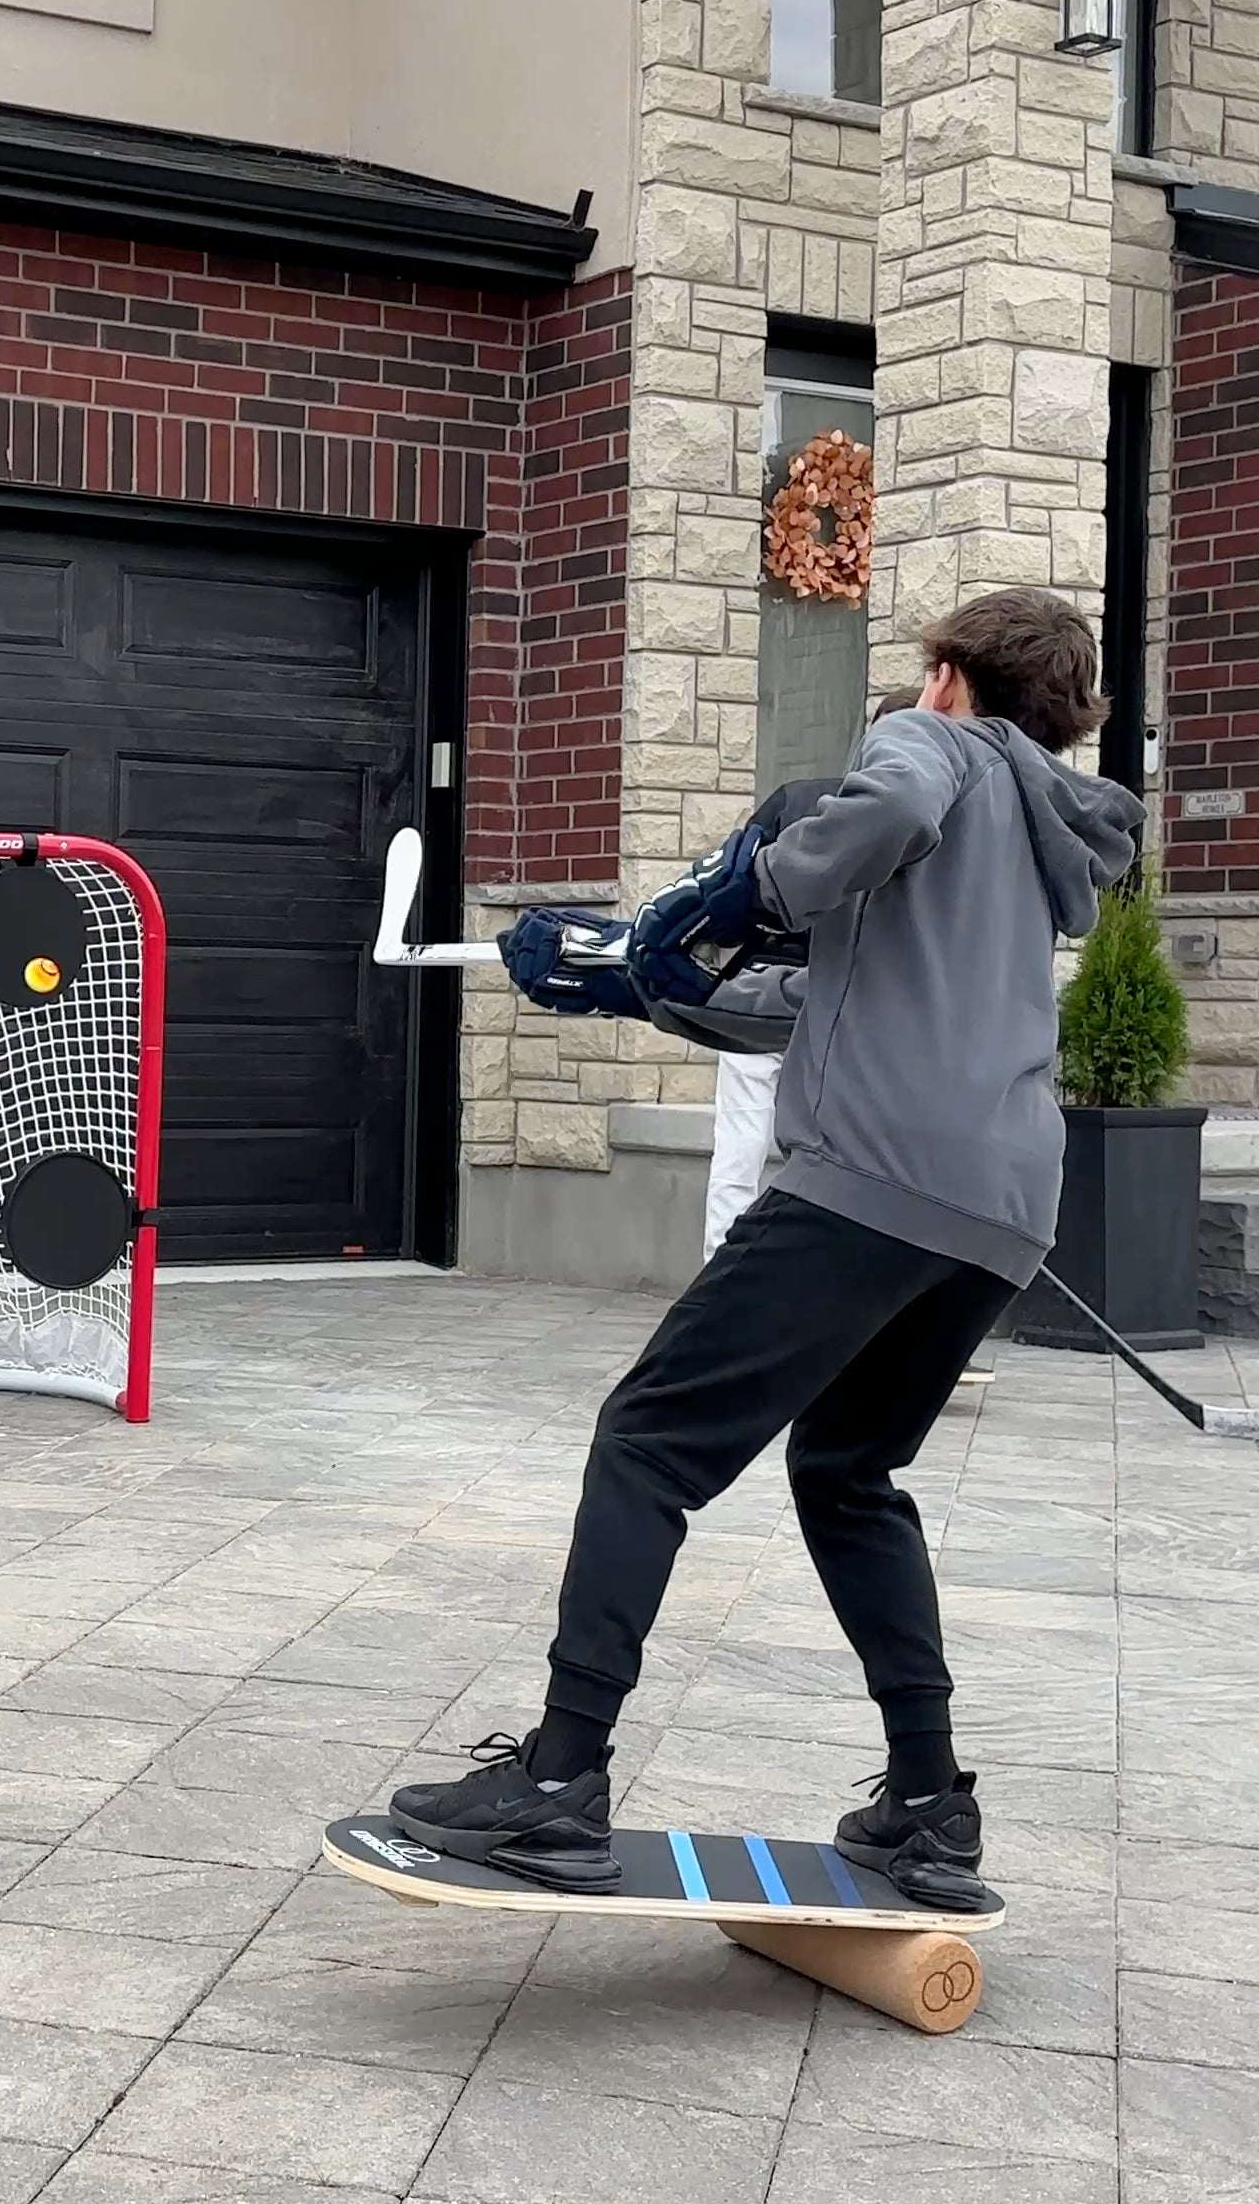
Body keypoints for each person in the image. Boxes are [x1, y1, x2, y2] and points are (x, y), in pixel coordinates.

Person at [393, 588, 1141, 1908]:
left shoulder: (930, 751)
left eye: (926, 674)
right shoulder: (1040, 837)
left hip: (874, 1182)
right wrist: (635, 974)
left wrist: (739, 885)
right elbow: (821, 999)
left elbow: (883, 812)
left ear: (953, 677)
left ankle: (560, 1778)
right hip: (1002, 1208)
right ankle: (927, 1804)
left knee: (647, 1439)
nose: (915, 696)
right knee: (849, 1471)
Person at [702, 775, 836, 1259]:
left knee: (738, 1142)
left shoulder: (794, 799)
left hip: (758, 992)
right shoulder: (898, 818)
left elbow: (729, 882)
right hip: (832, 996)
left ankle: (719, 1266)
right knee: (829, 1151)